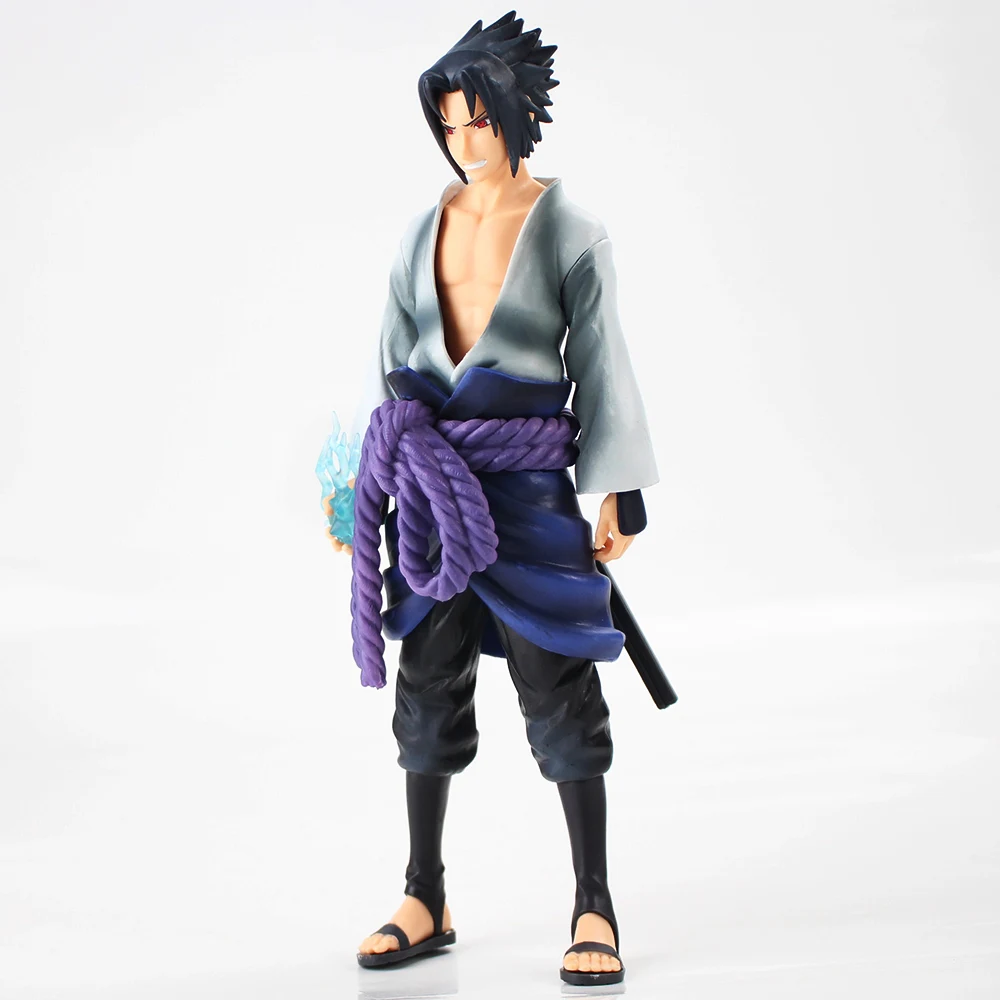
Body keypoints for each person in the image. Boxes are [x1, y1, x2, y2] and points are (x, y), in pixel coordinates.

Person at [328, 11, 658, 988]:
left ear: (515, 115)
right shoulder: (419, 233)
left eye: (478, 119)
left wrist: (619, 488)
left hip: (525, 488)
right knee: (426, 683)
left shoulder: (570, 231)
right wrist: (356, 492)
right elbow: (388, 369)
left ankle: (593, 900)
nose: (464, 139)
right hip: (432, 488)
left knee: (560, 688)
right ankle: (423, 892)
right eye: (450, 122)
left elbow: (602, 362)